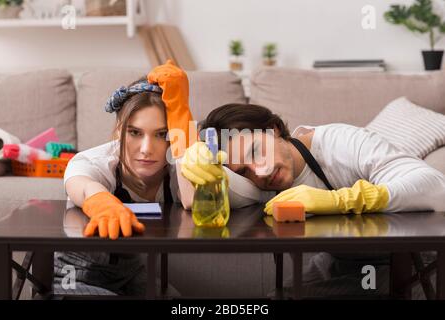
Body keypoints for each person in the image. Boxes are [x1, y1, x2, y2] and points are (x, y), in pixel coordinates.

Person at [179, 103, 445, 296]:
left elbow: (435, 187)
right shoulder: (254, 183)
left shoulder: (340, 143)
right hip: (339, 265)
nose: (260, 171)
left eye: (256, 150)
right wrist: (192, 155)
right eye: (244, 170)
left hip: (407, 265)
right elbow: (195, 202)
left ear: (274, 130)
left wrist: (343, 200)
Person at [54, 61, 193, 296]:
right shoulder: (96, 160)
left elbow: (195, 201)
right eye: (135, 133)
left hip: (130, 274)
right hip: (75, 274)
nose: (146, 149)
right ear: (119, 130)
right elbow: (81, 183)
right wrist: (101, 202)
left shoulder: (176, 168)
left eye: (162, 134)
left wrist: (182, 118)